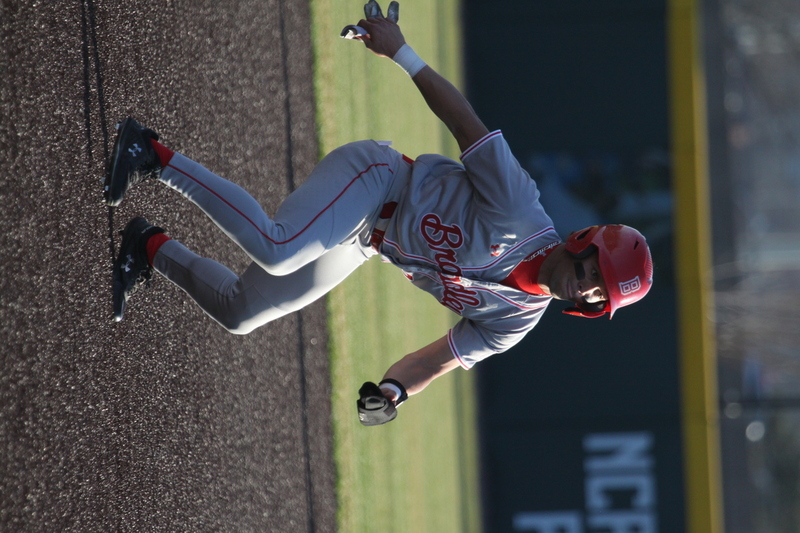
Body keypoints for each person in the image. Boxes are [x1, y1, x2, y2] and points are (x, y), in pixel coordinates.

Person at [104, 1, 652, 424]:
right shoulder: (519, 210)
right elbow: (464, 121)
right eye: (595, 271)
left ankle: (148, 246)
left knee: (241, 312)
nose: (588, 289)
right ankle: (151, 154)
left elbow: (434, 362)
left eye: (600, 295)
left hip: (367, 242)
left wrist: (392, 393)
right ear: (582, 240)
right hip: (378, 181)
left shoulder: (515, 320)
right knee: (279, 249)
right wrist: (402, 54)